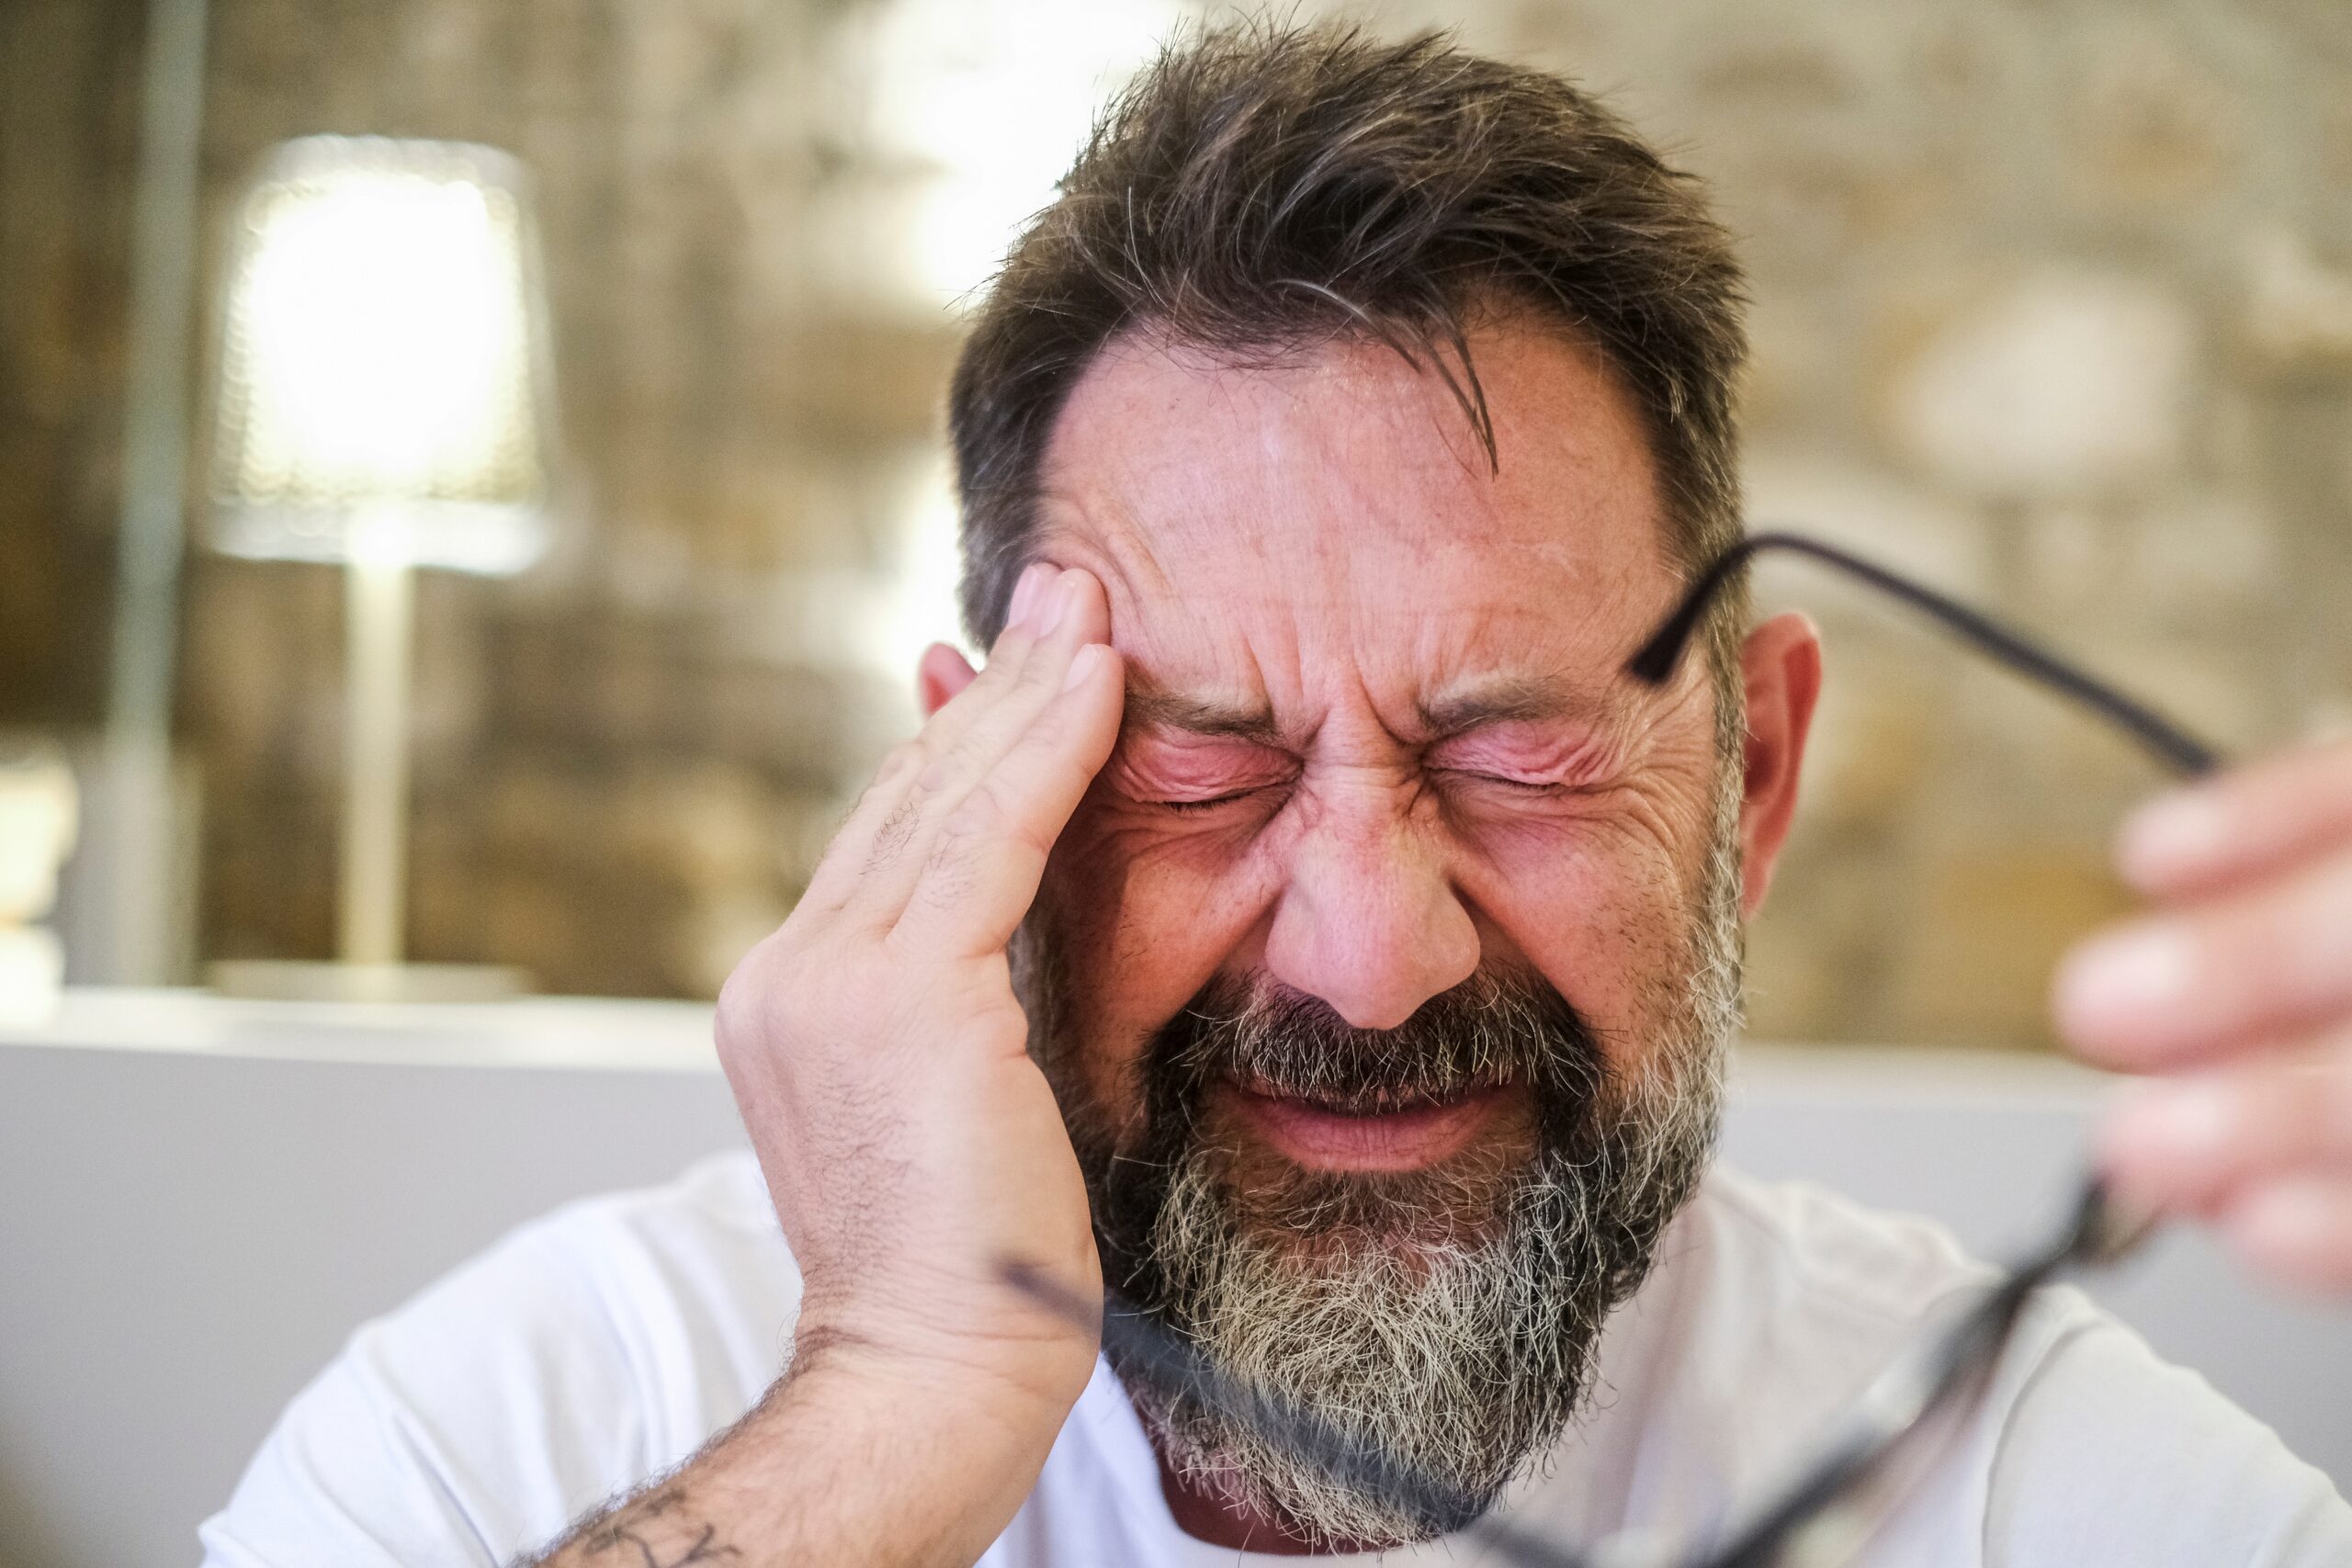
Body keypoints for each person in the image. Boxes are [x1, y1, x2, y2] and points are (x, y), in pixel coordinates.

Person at [200, 23, 2352, 1568]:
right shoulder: (531, 1421)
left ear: (1751, 782)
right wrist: (890, 1402)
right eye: (1200, 765)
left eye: (1514, 745)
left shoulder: (2045, 1492)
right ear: (966, 804)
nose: (1368, 946)